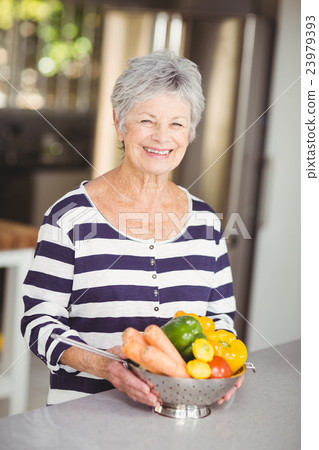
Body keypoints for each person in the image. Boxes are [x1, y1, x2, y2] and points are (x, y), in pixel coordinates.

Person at [21, 50, 243, 408]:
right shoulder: (69, 215)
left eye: (177, 123)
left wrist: (225, 365)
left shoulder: (204, 221)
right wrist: (106, 366)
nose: (162, 137)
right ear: (120, 122)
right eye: (147, 120)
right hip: (83, 416)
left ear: (191, 132)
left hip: (179, 413)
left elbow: (220, 320)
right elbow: (39, 321)